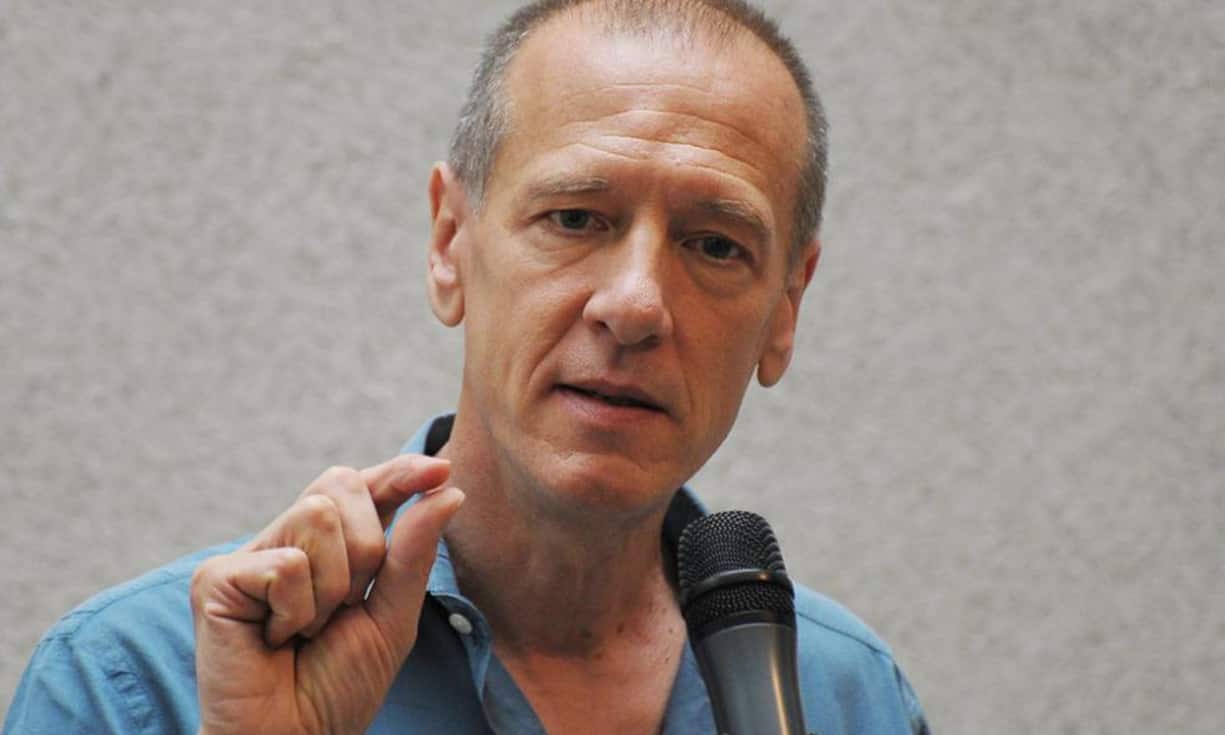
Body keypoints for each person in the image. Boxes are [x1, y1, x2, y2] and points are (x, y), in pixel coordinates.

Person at [5, 1, 930, 733]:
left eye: (716, 244)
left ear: (784, 309)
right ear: (450, 243)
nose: (636, 304)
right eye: (575, 218)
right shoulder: (139, 684)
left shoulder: (848, 697)